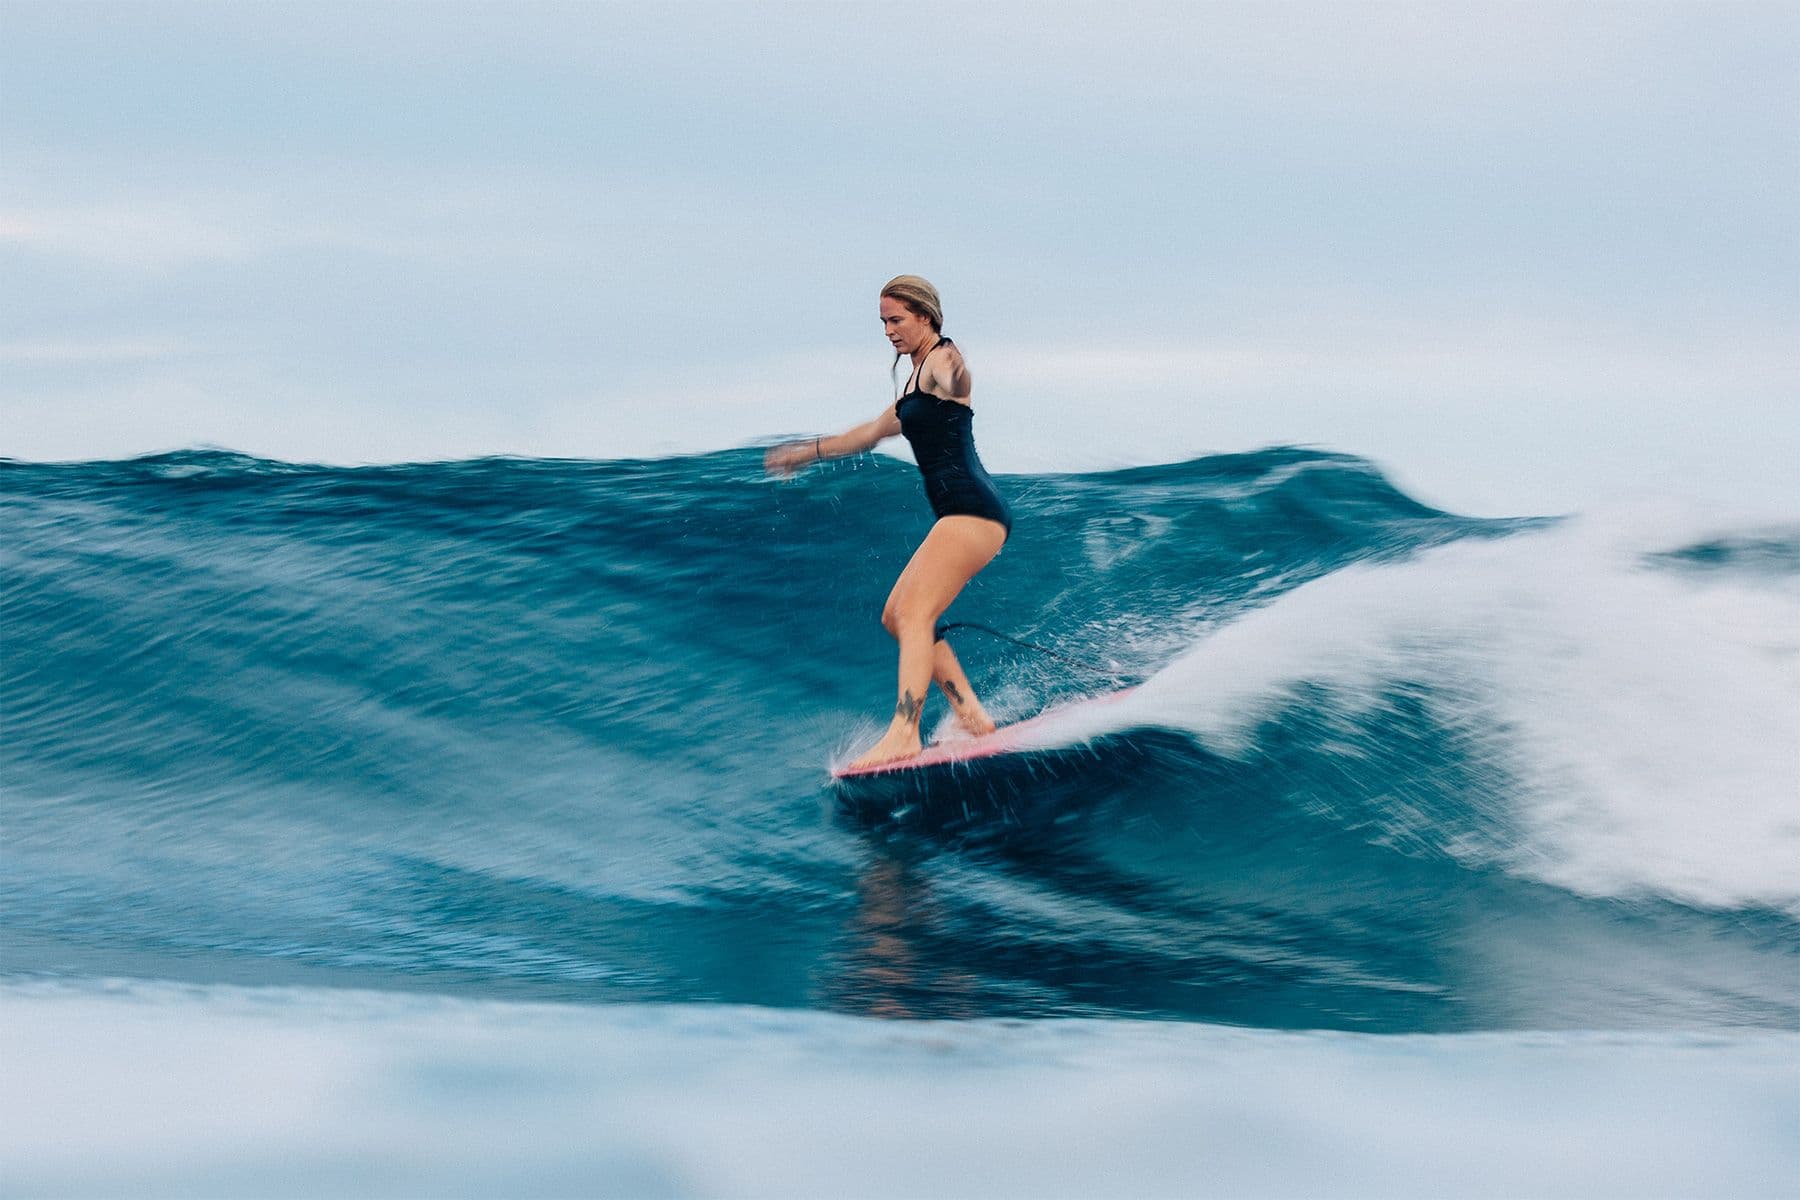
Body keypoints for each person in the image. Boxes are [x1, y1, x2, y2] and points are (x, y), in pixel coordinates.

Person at [765, 275, 1012, 767]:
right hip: (961, 515)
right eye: (883, 322)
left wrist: (954, 368)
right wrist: (804, 453)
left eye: (896, 320)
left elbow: (958, 379)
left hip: (972, 512)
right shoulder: (913, 390)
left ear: (925, 317)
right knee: (897, 617)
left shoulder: (942, 362)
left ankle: (905, 730)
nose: (888, 330)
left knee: (914, 614)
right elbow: (867, 435)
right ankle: (973, 718)